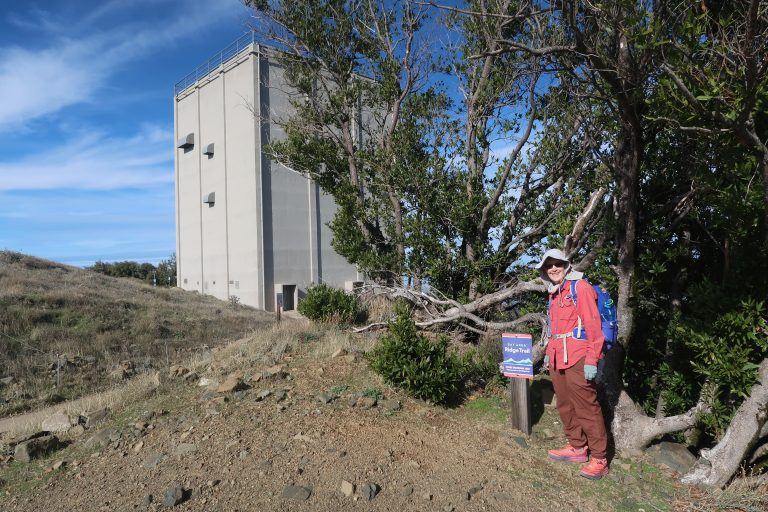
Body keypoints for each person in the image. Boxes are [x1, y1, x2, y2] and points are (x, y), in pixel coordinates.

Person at [536, 248, 610, 480]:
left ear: (566, 265)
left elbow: (593, 326)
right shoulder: (553, 293)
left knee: (586, 406)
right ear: (544, 271)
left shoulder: (581, 288)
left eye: (557, 264)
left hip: (578, 357)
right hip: (557, 356)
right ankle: (577, 447)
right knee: (565, 404)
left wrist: (592, 359)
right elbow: (554, 328)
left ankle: (600, 458)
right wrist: (548, 353)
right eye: (549, 265)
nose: (553, 268)